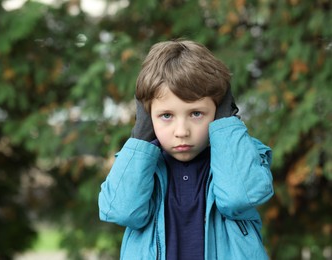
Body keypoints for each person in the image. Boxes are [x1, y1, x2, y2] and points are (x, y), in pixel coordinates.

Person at [98, 39, 274, 259]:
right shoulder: (141, 166)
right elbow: (120, 210)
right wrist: (140, 138)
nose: (181, 131)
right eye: (166, 116)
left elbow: (239, 197)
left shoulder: (240, 156)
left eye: (196, 113)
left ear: (219, 110)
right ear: (147, 117)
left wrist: (226, 123)